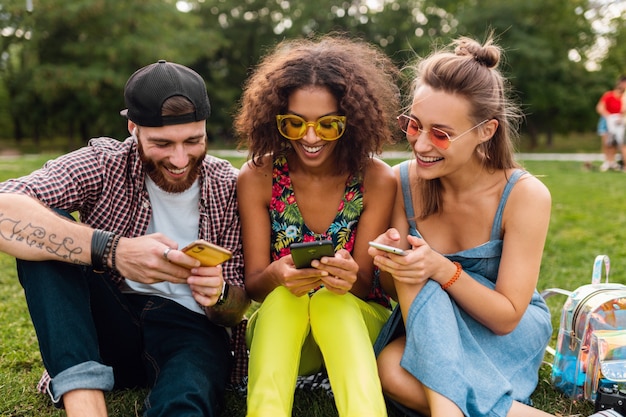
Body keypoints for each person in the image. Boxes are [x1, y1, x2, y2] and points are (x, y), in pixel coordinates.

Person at [368, 35, 622, 417]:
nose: (421, 145)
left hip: (501, 334)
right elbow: (397, 290)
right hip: (431, 329)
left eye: (441, 134)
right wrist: (392, 262)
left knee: (406, 348)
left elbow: (505, 317)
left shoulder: (524, 195)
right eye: (413, 125)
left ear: (486, 131)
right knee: (388, 366)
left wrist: (441, 268)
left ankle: (447, 411)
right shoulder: (401, 179)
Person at [0, 60, 250, 417]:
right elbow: (5, 208)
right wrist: (112, 251)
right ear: (133, 128)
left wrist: (221, 294)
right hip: (108, 325)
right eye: (163, 143)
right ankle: (86, 406)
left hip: (190, 332)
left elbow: (238, 307)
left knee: (187, 400)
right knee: (44, 232)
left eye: (193, 140)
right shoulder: (104, 163)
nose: (180, 159)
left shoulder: (229, 184)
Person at [234, 35, 400, 417]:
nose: (310, 137)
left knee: (330, 301)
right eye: (295, 124)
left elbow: (367, 286)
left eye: (328, 125)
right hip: (285, 332)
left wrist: (346, 277)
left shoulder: (377, 179)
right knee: (282, 300)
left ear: (352, 122)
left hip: (357, 328)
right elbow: (255, 283)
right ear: (276, 120)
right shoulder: (258, 176)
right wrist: (277, 275)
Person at [596, 75, 626, 171]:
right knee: (606, 142)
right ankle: (607, 161)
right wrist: (608, 116)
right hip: (606, 120)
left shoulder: (623, 98)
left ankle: (612, 162)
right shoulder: (608, 95)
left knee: (614, 143)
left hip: (618, 121)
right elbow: (600, 108)